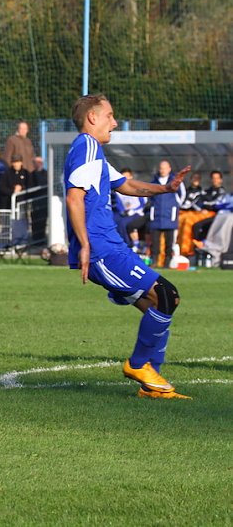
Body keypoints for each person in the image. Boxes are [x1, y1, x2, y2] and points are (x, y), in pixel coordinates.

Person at [64, 94, 191, 399]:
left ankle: (152, 383)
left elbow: (128, 186)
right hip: (101, 251)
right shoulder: (86, 146)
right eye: (110, 115)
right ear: (92, 118)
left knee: (159, 305)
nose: (115, 122)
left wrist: (166, 189)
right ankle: (139, 365)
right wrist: (84, 245)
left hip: (111, 247)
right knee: (166, 294)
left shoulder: (95, 154)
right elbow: (74, 197)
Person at [147, 160, 185, 268]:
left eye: (165, 168)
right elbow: (148, 196)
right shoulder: (153, 181)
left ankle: (167, 263)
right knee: (155, 242)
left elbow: (182, 195)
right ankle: (154, 261)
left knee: (170, 243)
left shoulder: (175, 181)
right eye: (161, 168)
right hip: (156, 215)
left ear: (169, 169)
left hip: (170, 216)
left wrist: (175, 206)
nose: (162, 170)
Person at [112, 168, 148, 251]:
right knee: (117, 222)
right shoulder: (118, 190)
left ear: (131, 177)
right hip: (126, 213)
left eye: (127, 176)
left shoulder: (137, 188)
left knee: (125, 223)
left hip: (138, 213)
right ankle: (121, 243)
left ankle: (132, 244)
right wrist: (122, 211)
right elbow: (118, 204)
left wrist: (134, 210)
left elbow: (143, 203)